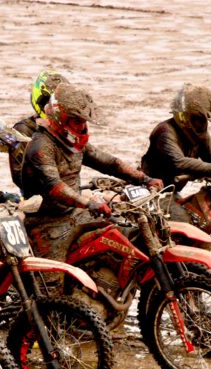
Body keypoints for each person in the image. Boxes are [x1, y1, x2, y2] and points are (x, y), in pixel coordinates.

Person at [20, 82, 162, 261]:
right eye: (77, 121)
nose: (82, 126)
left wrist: (145, 179)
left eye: (84, 121)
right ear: (61, 117)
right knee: (51, 285)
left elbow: (110, 163)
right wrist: (89, 203)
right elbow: (55, 186)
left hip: (76, 214)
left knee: (123, 235)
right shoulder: (41, 146)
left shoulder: (72, 143)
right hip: (47, 224)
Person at [140, 83, 211, 192]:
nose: (202, 123)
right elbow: (179, 162)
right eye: (197, 118)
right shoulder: (165, 132)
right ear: (184, 116)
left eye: (203, 118)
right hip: (152, 191)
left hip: (172, 191)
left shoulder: (198, 133)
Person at [10, 69, 69, 190]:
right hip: (40, 196)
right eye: (50, 102)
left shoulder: (67, 128)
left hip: (67, 189)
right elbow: (18, 176)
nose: (55, 107)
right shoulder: (23, 130)